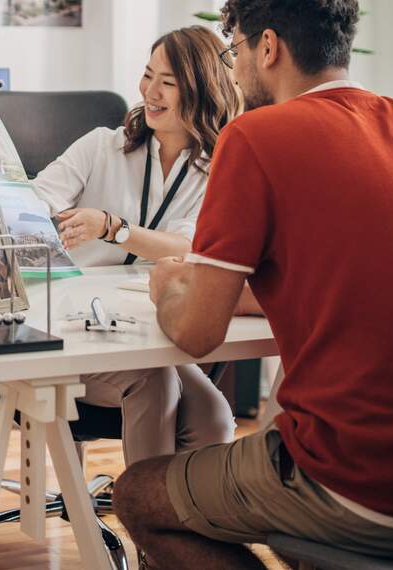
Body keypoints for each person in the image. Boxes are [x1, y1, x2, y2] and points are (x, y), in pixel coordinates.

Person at [113, 0, 393, 567]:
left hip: (364, 485)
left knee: (137, 494)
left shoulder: (255, 137)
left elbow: (196, 334)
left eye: (235, 50)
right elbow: (343, 284)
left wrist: (169, 286)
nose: (234, 69)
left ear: (268, 47)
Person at [31, 26, 244, 467]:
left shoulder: (216, 170)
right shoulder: (100, 147)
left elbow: (188, 246)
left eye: (168, 82)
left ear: (201, 91)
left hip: (149, 330)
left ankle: (189, 511)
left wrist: (113, 228)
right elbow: (34, 199)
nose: (150, 92)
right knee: (157, 384)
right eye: (148, 76)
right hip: (77, 330)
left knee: (214, 416)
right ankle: (146, 509)